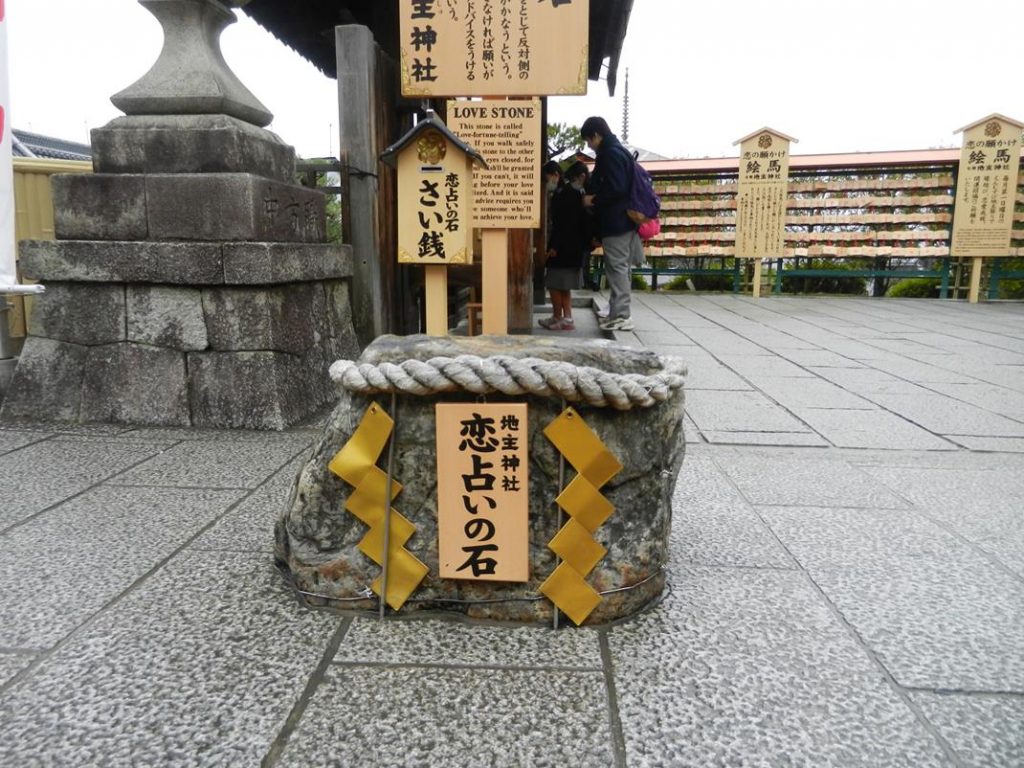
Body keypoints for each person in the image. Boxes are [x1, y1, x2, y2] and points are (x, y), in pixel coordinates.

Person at [580, 115, 643, 331]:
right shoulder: (619, 151)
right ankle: (617, 312)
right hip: (623, 222)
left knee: (617, 268)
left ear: (597, 135)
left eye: (589, 141)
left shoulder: (610, 154)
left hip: (616, 222)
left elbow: (615, 189)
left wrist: (592, 200)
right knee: (620, 269)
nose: (589, 145)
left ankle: (623, 315)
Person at [539, 161, 592, 331]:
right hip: (573, 246)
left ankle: (560, 317)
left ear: (555, 174)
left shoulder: (565, 194)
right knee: (563, 285)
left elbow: (563, 224)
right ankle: (564, 318)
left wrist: (553, 247)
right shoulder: (573, 192)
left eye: (546, 178)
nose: (546, 183)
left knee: (554, 283)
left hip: (564, 247)